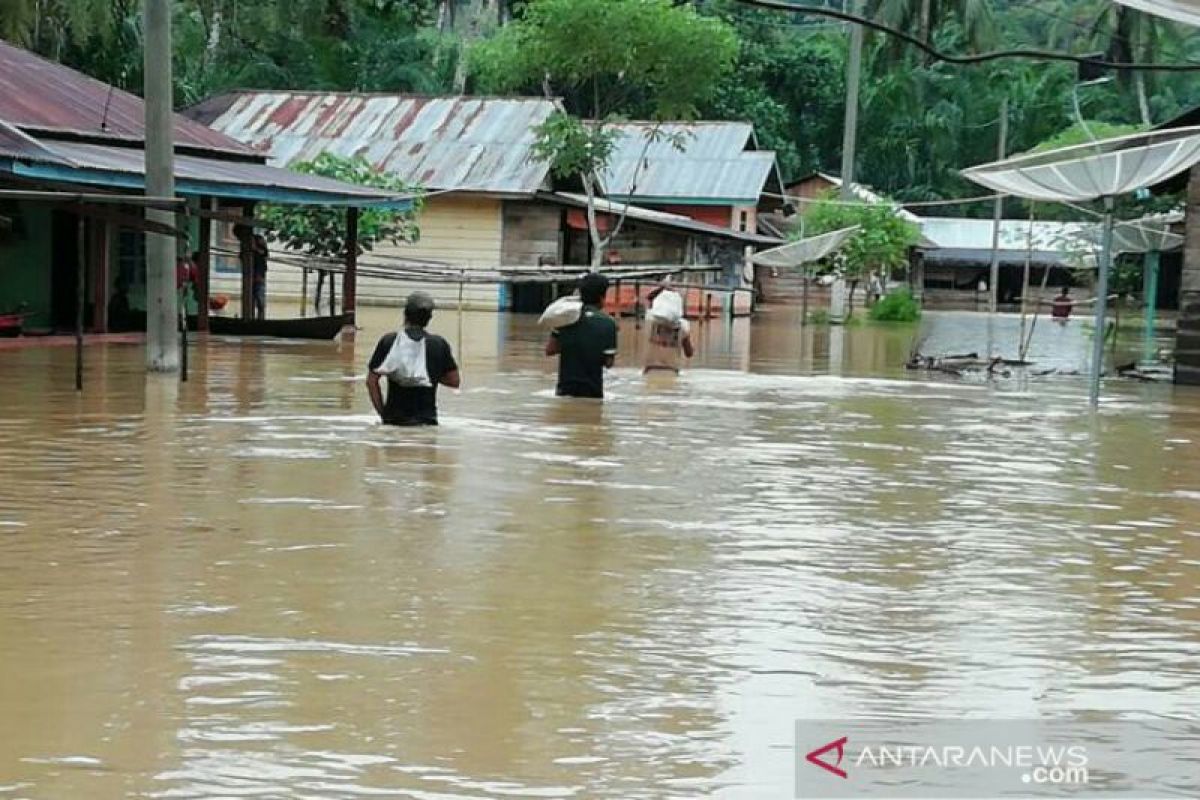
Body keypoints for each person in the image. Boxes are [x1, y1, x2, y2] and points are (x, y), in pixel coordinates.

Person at [367, 292, 460, 426]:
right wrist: (430, 374)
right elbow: (454, 381)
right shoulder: (439, 344)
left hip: (394, 421)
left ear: (405, 314)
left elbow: (371, 382)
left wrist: (383, 414)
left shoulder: (389, 341)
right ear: (429, 318)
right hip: (427, 422)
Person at [545, 272, 618, 398]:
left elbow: (550, 350)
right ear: (602, 297)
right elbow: (609, 363)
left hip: (565, 390)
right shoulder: (609, 323)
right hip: (593, 392)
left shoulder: (565, 318)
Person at [644, 283, 694, 374]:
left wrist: (662, 288)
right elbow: (689, 353)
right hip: (671, 371)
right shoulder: (683, 327)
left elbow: (649, 298)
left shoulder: (651, 320)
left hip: (651, 370)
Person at [251, 234, 269, 320]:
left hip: (259, 278)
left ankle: (260, 320)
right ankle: (254, 319)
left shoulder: (260, 252)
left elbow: (264, 253)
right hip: (253, 278)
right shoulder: (251, 253)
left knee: (260, 302)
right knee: (252, 301)